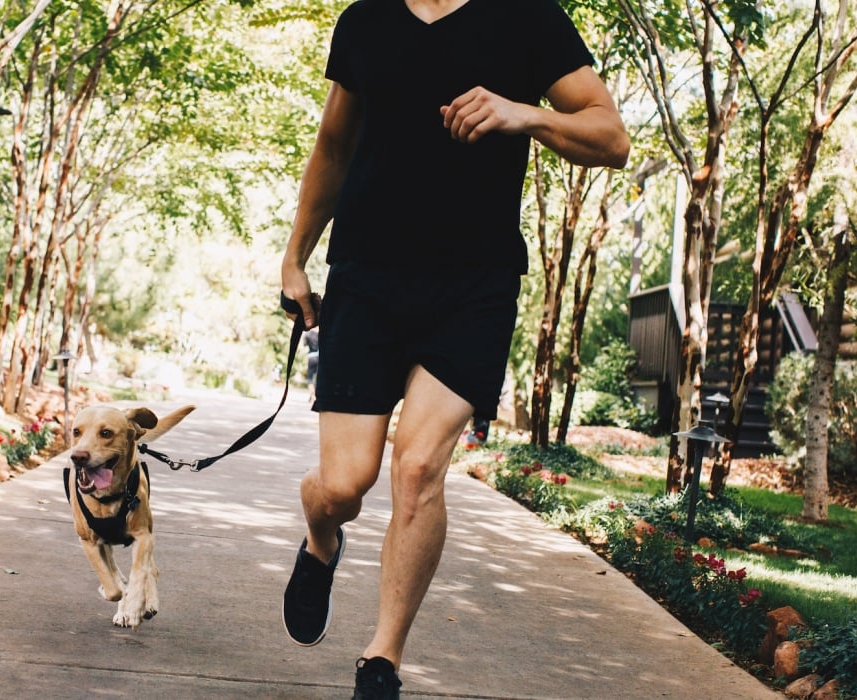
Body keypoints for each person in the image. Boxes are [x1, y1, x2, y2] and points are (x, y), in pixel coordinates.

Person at [277, 1, 629, 698]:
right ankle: (321, 542)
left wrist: (525, 113)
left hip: (475, 285)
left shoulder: (529, 19)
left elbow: (611, 137)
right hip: (367, 279)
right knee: (344, 486)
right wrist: (296, 257)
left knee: (418, 469)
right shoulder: (366, 21)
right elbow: (334, 147)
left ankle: (382, 661)